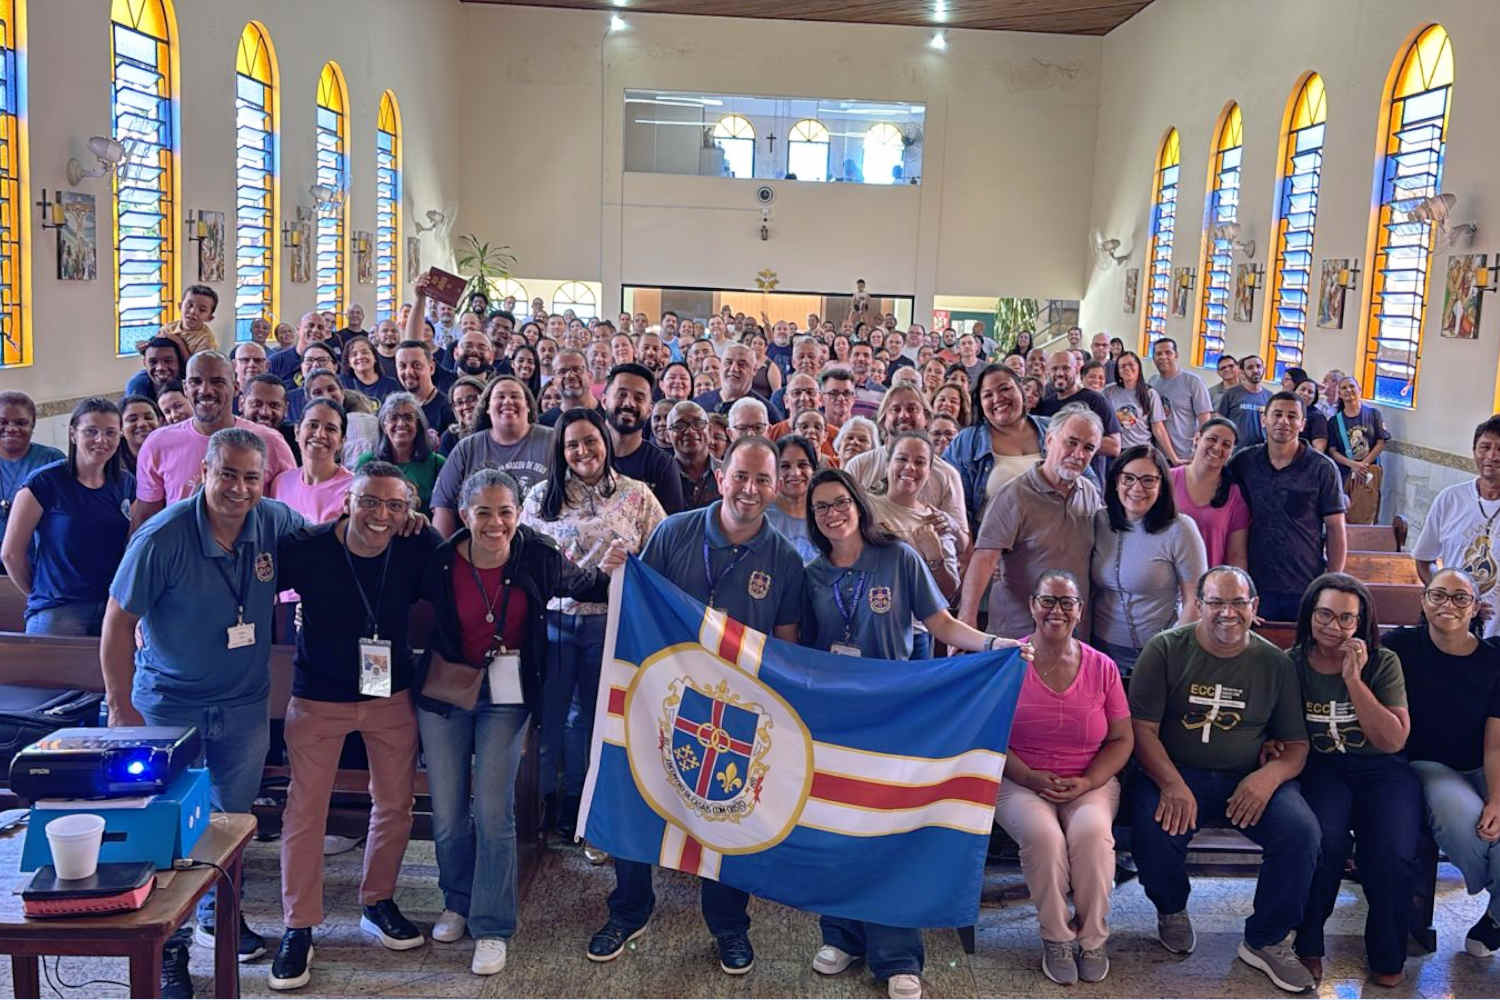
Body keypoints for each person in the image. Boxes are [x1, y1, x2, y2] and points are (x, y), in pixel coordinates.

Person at [588, 436, 805, 976]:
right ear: (721, 477)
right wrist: (619, 568)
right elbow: (640, 601)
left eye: (762, 480)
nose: (749, 489)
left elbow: (785, 646)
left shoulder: (784, 559)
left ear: (776, 488)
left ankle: (729, 925)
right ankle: (629, 909)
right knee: (639, 793)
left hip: (736, 709)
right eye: (740, 476)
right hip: (665, 694)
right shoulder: (674, 531)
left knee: (730, 811)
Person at [103, 429, 311, 991]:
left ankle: (219, 917)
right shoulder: (162, 536)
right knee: (168, 826)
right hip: (170, 704)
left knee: (229, 824)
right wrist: (120, 708)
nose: (239, 488)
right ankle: (167, 951)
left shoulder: (272, 521)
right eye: (228, 475)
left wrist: (399, 519)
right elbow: (118, 621)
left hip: (243, 703)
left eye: (251, 477)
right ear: (203, 474)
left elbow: (328, 543)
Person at [801, 468, 1019, 1000]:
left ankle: (898, 956)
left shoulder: (898, 558)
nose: (832, 513)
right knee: (838, 830)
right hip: (837, 722)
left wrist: (994, 645)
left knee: (891, 834)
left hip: (894, 717)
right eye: (821, 507)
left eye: (840, 501)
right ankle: (842, 935)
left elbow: (941, 624)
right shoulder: (812, 574)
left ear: (859, 503)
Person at [418, 469, 626, 976]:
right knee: (447, 811)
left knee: (494, 809)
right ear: (464, 515)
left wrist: (623, 569)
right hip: (446, 693)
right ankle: (457, 900)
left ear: (519, 513)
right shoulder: (440, 560)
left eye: (505, 511)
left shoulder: (537, 554)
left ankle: (492, 925)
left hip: (507, 694)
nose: (495, 523)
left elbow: (588, 584)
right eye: (483, 512)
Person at [267, 464, 441, 991]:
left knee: (395, 804)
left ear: (408, 510)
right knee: (305, 812)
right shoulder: (307, 547)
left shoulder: (414, 544)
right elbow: (249, 586)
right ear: (347, 500)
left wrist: (423, 524)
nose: (380, 515)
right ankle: (299, 925)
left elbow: (455, 581)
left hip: (391, 695)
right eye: (369, 501)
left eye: (394, 505)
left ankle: (378, 900)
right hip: (318, 697)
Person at [1128, 566, 1319, 994]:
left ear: (1254, 607)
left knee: (1301, 831)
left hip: (1248, 778)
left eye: (1237, 603)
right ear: (1198, 605)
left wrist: (1267, 778)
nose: (1227, 613)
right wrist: (1172, 784)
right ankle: (1171, 908)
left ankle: (1266, 939)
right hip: (1175, 771)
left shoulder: (1275, 663)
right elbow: (1141, 730)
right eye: (1215, 602)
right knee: (1154, 827)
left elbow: (1295, 745)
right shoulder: (1165, 649)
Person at [521, 408, 664, 843]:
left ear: (605, 441)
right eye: (572, 445)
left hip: (610, 623)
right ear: (560, 450)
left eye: (590, 441)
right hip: (555, 622)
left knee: (590, 719)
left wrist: (632, 562)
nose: (583, 451)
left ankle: (580, 806)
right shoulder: (540, 497)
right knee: (550, 717)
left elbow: (661, 556)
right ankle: (542, 806)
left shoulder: (637, 495)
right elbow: (524, 558)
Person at [994, 570, 1132, 986]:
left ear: (1080, 611)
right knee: (1044, 838)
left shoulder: (1102, 667)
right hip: (1019, 779)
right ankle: (1056, 937)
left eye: (1066, 602)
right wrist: (1029, 776)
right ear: (1032, 606)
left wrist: (1089, 782)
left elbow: (1122, 739)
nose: (1057, 610)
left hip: (1088, 780)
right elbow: (989, 736)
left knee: (1092, 837)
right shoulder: (1010, 662)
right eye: (1048, 601)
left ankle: (1092, 939)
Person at [1281, 574, 1418, 987]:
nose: (1334, 626)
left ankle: (1387, 952)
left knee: (1392, 849)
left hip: (1382, 769)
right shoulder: (1291, 663)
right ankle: (1308, 942)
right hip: (1322, 767)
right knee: (1325, 840)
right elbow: (1279, 727)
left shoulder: (1383, 662)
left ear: (1361, 623)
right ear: (1310, 615)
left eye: (1346, 618)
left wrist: (1353, 680)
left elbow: (1393, 740)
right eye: (1324, 614)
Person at [1384, 567, 1500, 957]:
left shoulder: (1493, 659)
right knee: (1463, 822)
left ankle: (1497, 916)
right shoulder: (1400, 646)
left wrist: (1497, 798)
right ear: (1424, 600)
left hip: (1484, 762)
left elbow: (1496, 741)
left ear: (1476, 607)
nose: (1448, 604)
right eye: (1438, 595)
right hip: (1428, 764)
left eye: (1460, 597)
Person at [959, 406, 1102, 637]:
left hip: (1071, 634)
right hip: (1018, 634)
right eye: (1071, 442)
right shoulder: (1014, 495)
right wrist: (966, 620)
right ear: (1049, 440)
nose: (1079, 454)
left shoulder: (1089, 493)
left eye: (1088, 448)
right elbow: (984, 558)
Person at [1, 398, 132, 635]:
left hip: (113, 608)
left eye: (110, 432)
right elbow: (11, 553)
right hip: (59, 611)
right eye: (91, 431)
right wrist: (41, 593)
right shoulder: (44, 482)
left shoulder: (126, 483)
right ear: (73, 434)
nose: (101, 440)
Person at [131, 353, 297, 531]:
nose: (205, 391)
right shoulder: (158, 444)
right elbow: (146, 521)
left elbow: (291, 512)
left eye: (217, 382)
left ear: (235, 387)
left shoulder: (270, 442)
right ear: (185, 388)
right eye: (196, 382)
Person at [1229, 393, 1347, 621]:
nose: (1284, 421)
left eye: (1292, 416)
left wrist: (1332, 582)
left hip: (1303, 583)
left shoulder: (1322, 468)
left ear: (1302, 424)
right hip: (1252, 584)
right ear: (1264, 419)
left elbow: (1335, 528)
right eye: (1277, 414)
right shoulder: (1244, 462)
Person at [1090, 446, 1206, 675]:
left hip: (1159, 651)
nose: (1137, 488)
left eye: (1148, 480)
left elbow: (1196, 600)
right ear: (1116, 481)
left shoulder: (1181, 529)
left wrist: (1171, 649)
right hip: (1101, 650)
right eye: (1128, 478)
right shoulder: (1099, 520)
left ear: (1162, 485)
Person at [867, 431, 963, 656]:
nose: (910, 467)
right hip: (866, 624)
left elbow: (948, 590)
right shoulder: (864, 507)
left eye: (920, 462)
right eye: (902, 459)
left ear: (929, 471)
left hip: (916, 631)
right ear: (888, 463)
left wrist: (935, 557)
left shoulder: (936, 521)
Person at [841, 385, 969, 553]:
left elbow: (963, 544)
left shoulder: (946, 474)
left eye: (912, 409)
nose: (904, 415)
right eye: (895, 409)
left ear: (927, 418)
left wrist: (951, 526)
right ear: (883, 419)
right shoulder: (859, 465)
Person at [431, 377, 552, 535]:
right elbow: (443, 506)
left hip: (543, 542)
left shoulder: (553, 440)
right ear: (487, 407)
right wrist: (445, 549)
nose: (507, 401)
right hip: (484, 541)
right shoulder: (466, 448)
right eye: (500, 396)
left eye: (515, 396)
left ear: (528, 405)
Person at [1414, 415, 1500, 635]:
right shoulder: (1450, 499)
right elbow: (1424, 560)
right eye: (1485, 447)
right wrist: (1448, 597)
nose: (1492, 456)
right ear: (1474, 451)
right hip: (1452, 631)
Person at [602, 364, 685, 515]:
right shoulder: (585, 457)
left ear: (649, 410)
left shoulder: (662, 465)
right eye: (622, 395)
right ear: (604, 401)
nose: (629, 403)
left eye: (639, 398)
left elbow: (671, 525)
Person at [1169, 417, 1249, 569]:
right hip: (1165, 580)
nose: (1217, 448)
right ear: (1197, 439)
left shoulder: (1234, 495)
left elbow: (1236, 556)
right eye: (1212, 439)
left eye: (1226, 445)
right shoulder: (1167, 480)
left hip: (1209, 581)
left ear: (1231, 452)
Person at [1032, 351, 1121, 482]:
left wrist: (1074, 440)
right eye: (1054, 369)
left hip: (1088, 483)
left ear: (1077, 369)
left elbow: (1114, 447)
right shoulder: (1045, 405)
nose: (1060, 373)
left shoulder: (1096, 400)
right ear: (1048, 372)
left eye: (1066, 368)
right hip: (1053, 483)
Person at [357, 393, 444, 513]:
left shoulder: (437, 464)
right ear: (384, 426)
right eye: (393, 418)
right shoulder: (367, 462)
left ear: (418, 425)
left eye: (408, 418)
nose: (401, 423)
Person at [0, 391, 65, 551]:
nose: (11, 428)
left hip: (38, 559)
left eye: (21, 423)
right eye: (3, 422)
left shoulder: (52, 460)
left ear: (32, 425)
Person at [269, 401, 354, 523]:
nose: (319, 434)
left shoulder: (353, 488)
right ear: (297, 432)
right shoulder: (281, 483)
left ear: (341, 441)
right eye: (313, 425)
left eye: (330, 429)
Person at [1105, 351, 1180, 462]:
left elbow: (1158, 428)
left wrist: (1174, 458)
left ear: (1138, 367)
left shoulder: (1150, 394)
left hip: (1142, 450)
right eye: (1122, 366)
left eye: (1131, 364)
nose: (1127, 368)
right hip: (1118, 451)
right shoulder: (1109, 391)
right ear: (1118, 371)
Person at [1149, 338, 1213, 464]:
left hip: (1185, 454)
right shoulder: (1153, 382)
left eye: (1168, 352)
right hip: (1159, 453)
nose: (1163, 357)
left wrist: (1200, 450)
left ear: (1176, 355)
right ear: (1154, 358)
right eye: (1158, 354)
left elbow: (1205, 419)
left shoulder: (1193, 382)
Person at [1325, 376, 1390, 490]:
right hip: (1345, 474)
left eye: (1352, 386)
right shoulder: (1334, 421)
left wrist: (1363, 465)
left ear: (1359, 389)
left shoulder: (1374, 414)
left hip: (1369, 472)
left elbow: (1381, 442)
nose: (1348, 390)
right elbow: (1332, 451)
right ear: (1339, 394)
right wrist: (1352, 464)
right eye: (1344, 388)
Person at [767, 434, 820, 563]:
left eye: (803, 465)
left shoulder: (825, 514)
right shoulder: (761, 517)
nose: (795, 473)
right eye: (785, 466)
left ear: (814, 470)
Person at [667, 401, 719, 510]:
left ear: (710, 431)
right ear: (668, 435)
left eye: (698, 423)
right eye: (679, 426)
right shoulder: (660, 477)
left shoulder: (728, 473)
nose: (690, 431)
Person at [149, 284, 220, 358]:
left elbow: (195, 365)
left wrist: (179, 343)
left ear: (209, 318)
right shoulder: (169, 328)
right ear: (180, 306)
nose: (193, 311)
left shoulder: (206, 341)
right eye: (190, 305)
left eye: (202, 310)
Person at [1217, 354, 1272, 448]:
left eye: (1258, 366)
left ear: (1264, 369)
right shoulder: (1231, 394)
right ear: (1242, 372)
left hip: (1259, 450)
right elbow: (1220, 421)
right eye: (1250, 368)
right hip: (1235, 450)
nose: (1255, 370)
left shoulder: (1270, 397)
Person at [341, 333, 402, 402]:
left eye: (365, 352)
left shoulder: (391, 384)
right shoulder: (343, 384)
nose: (360, 357)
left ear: (375, 357)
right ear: (349, 363)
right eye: (354, 354)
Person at [438, 375, 485, 457]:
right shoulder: (450, 437)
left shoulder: (499, 432)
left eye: (472, 399)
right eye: (459, 403)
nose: (466, 406)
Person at [120, 395, 164, 474]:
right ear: (120, 428)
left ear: (160, 422)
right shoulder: (111, 465)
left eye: (148, 418)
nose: (142, 424)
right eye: (133, 419)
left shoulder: (175, 453)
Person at [1291, 377, 1329, 451]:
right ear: (1295, 391)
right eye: (1302, 389)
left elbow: (1319, 449)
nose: (1305, 393)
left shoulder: (1318, 417)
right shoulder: (1286, 409)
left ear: (1315, 397)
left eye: (1310, 392)